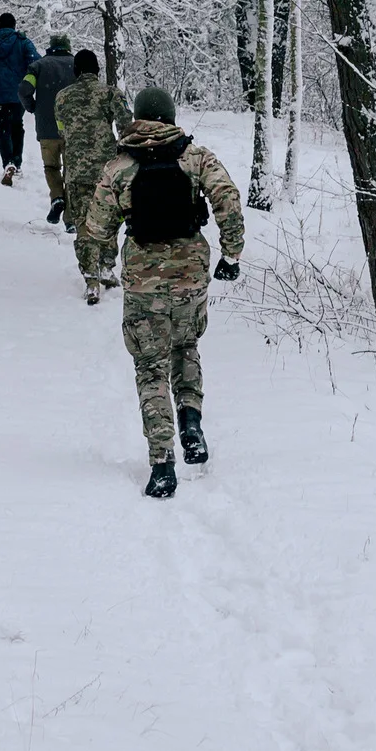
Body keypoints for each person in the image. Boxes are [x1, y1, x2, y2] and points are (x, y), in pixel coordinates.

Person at [76, 87, 246, 500]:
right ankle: (191, 421)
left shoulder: (119, 166)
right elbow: (228, 199)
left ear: (137, 116)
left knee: (150, 368)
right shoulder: (196, 157)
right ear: (170, 116)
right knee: (185, 347)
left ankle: (163, 463)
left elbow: (95, 228)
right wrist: (231, 254)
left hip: (142, 281)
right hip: (191, 274)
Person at [56, 48, 130, 290]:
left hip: (76, 170)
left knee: (83, 222)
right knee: (108, 218)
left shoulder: (62, 97)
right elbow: (126, 127)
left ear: (75, 70)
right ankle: (107, 266)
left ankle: (90, 278)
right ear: (97, 70)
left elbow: (61, 131)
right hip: (107, 171)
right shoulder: (111, 93)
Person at [0, 13, 39, 184]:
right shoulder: (23, 42)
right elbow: (35, 62)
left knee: (3, 128)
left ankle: (8, 163)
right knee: (17, 126)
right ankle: (17, 163)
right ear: (14, 25)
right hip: (18, 93)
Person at [24, 33, 79, 224]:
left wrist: (33, 107)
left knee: (51, 167)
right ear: (68, 47)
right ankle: (70, 219)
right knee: (71, 171)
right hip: (72, 129)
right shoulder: (77, 66)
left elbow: (24, 89)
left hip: (47, 127)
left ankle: (57, 197)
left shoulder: (38, 66)